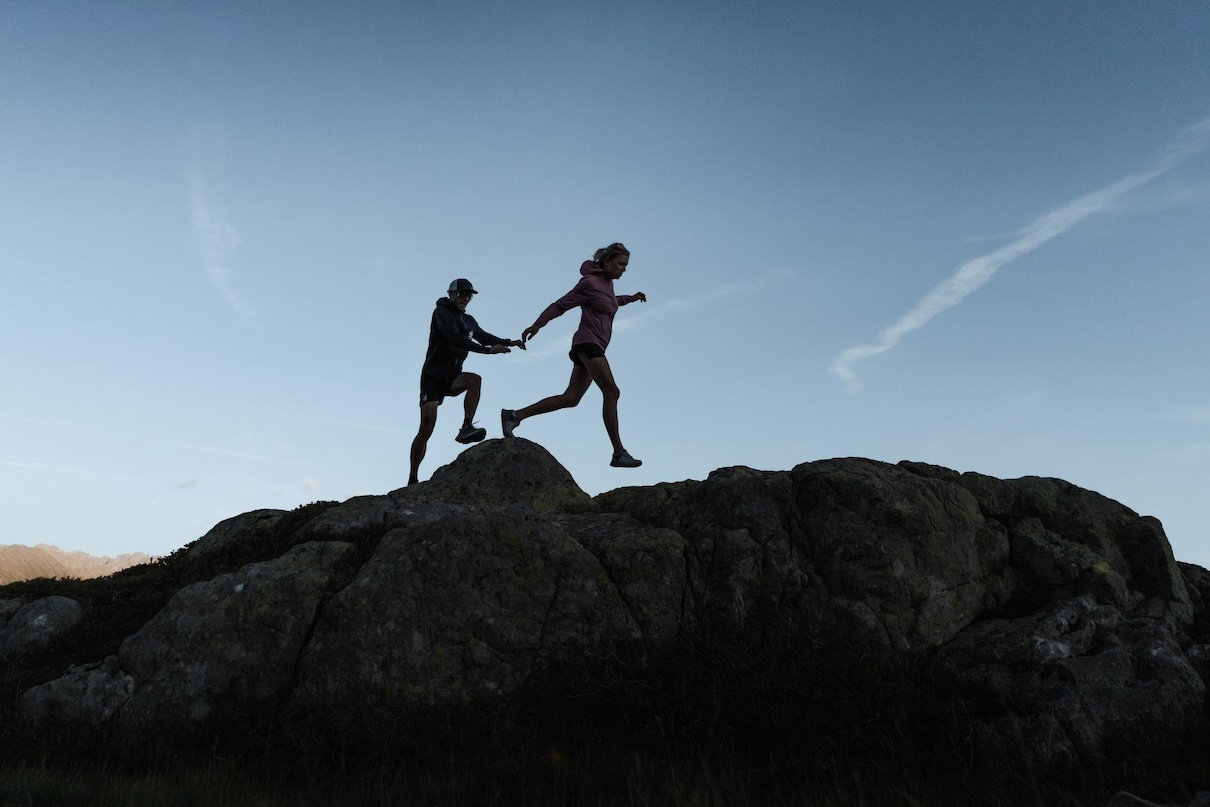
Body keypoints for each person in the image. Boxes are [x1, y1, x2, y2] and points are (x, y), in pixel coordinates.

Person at [500, 242, 647, 468]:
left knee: (571, 398)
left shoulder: (608, 286)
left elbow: (612, 303)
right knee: (612, 391)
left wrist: (632, 298)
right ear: (607, 261)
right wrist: (536, 325)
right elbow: (560, 305)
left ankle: (514, 415)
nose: (623, 269)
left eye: (626, 266)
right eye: (620, 264)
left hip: (594, 346)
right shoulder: (589, 283)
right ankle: (618, 452)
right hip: (588, 343)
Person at [408, 278, 524, 485]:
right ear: (451, 294)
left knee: (474, 380)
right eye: (462, 294)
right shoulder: (441, 313)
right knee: (427, 425)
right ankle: (413, 476)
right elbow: (456, 339)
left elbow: (483, 336)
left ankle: (466, 427)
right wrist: (488, 351)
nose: (465, 298)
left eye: (469, 295)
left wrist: (508, 342)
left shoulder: (469, 320)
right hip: (433, 377)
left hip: (453, 376)